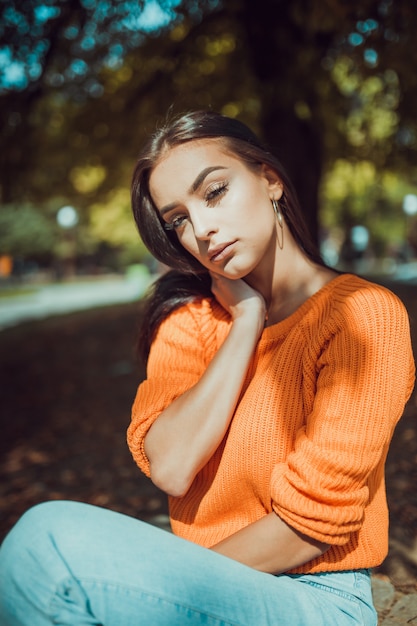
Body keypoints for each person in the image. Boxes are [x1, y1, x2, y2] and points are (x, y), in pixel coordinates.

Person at [0, 110, 415, 626]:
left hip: (315, 598)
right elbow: (172, 467)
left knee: (47, 545)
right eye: (177, 219)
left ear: (270, 180)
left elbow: (311, 525)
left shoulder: (361, 316)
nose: (201, 229)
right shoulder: (190, 321)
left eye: (214, 191)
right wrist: (246, 322)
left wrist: (165, 584)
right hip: (205, 593)